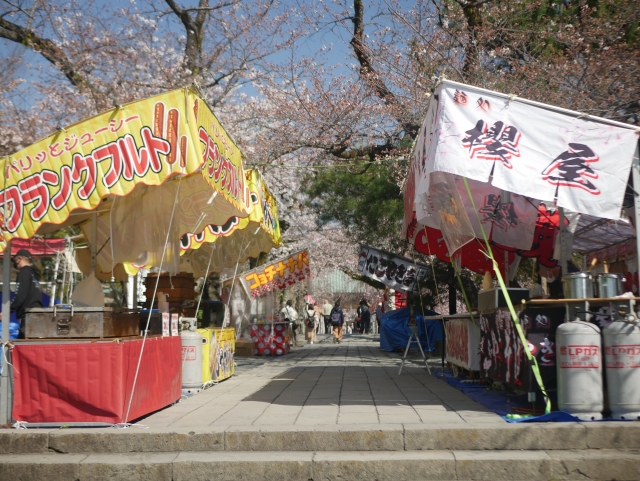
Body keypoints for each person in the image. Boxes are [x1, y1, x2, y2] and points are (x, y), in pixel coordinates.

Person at [10, 249, 43, 339]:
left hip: (28, 317)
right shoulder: (33, 274)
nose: (14, 263)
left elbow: (20, 296)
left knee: (24, 348)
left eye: (14, 260)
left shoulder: (24, 273)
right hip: (38, 314)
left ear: (20, 258)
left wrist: (8, 310)